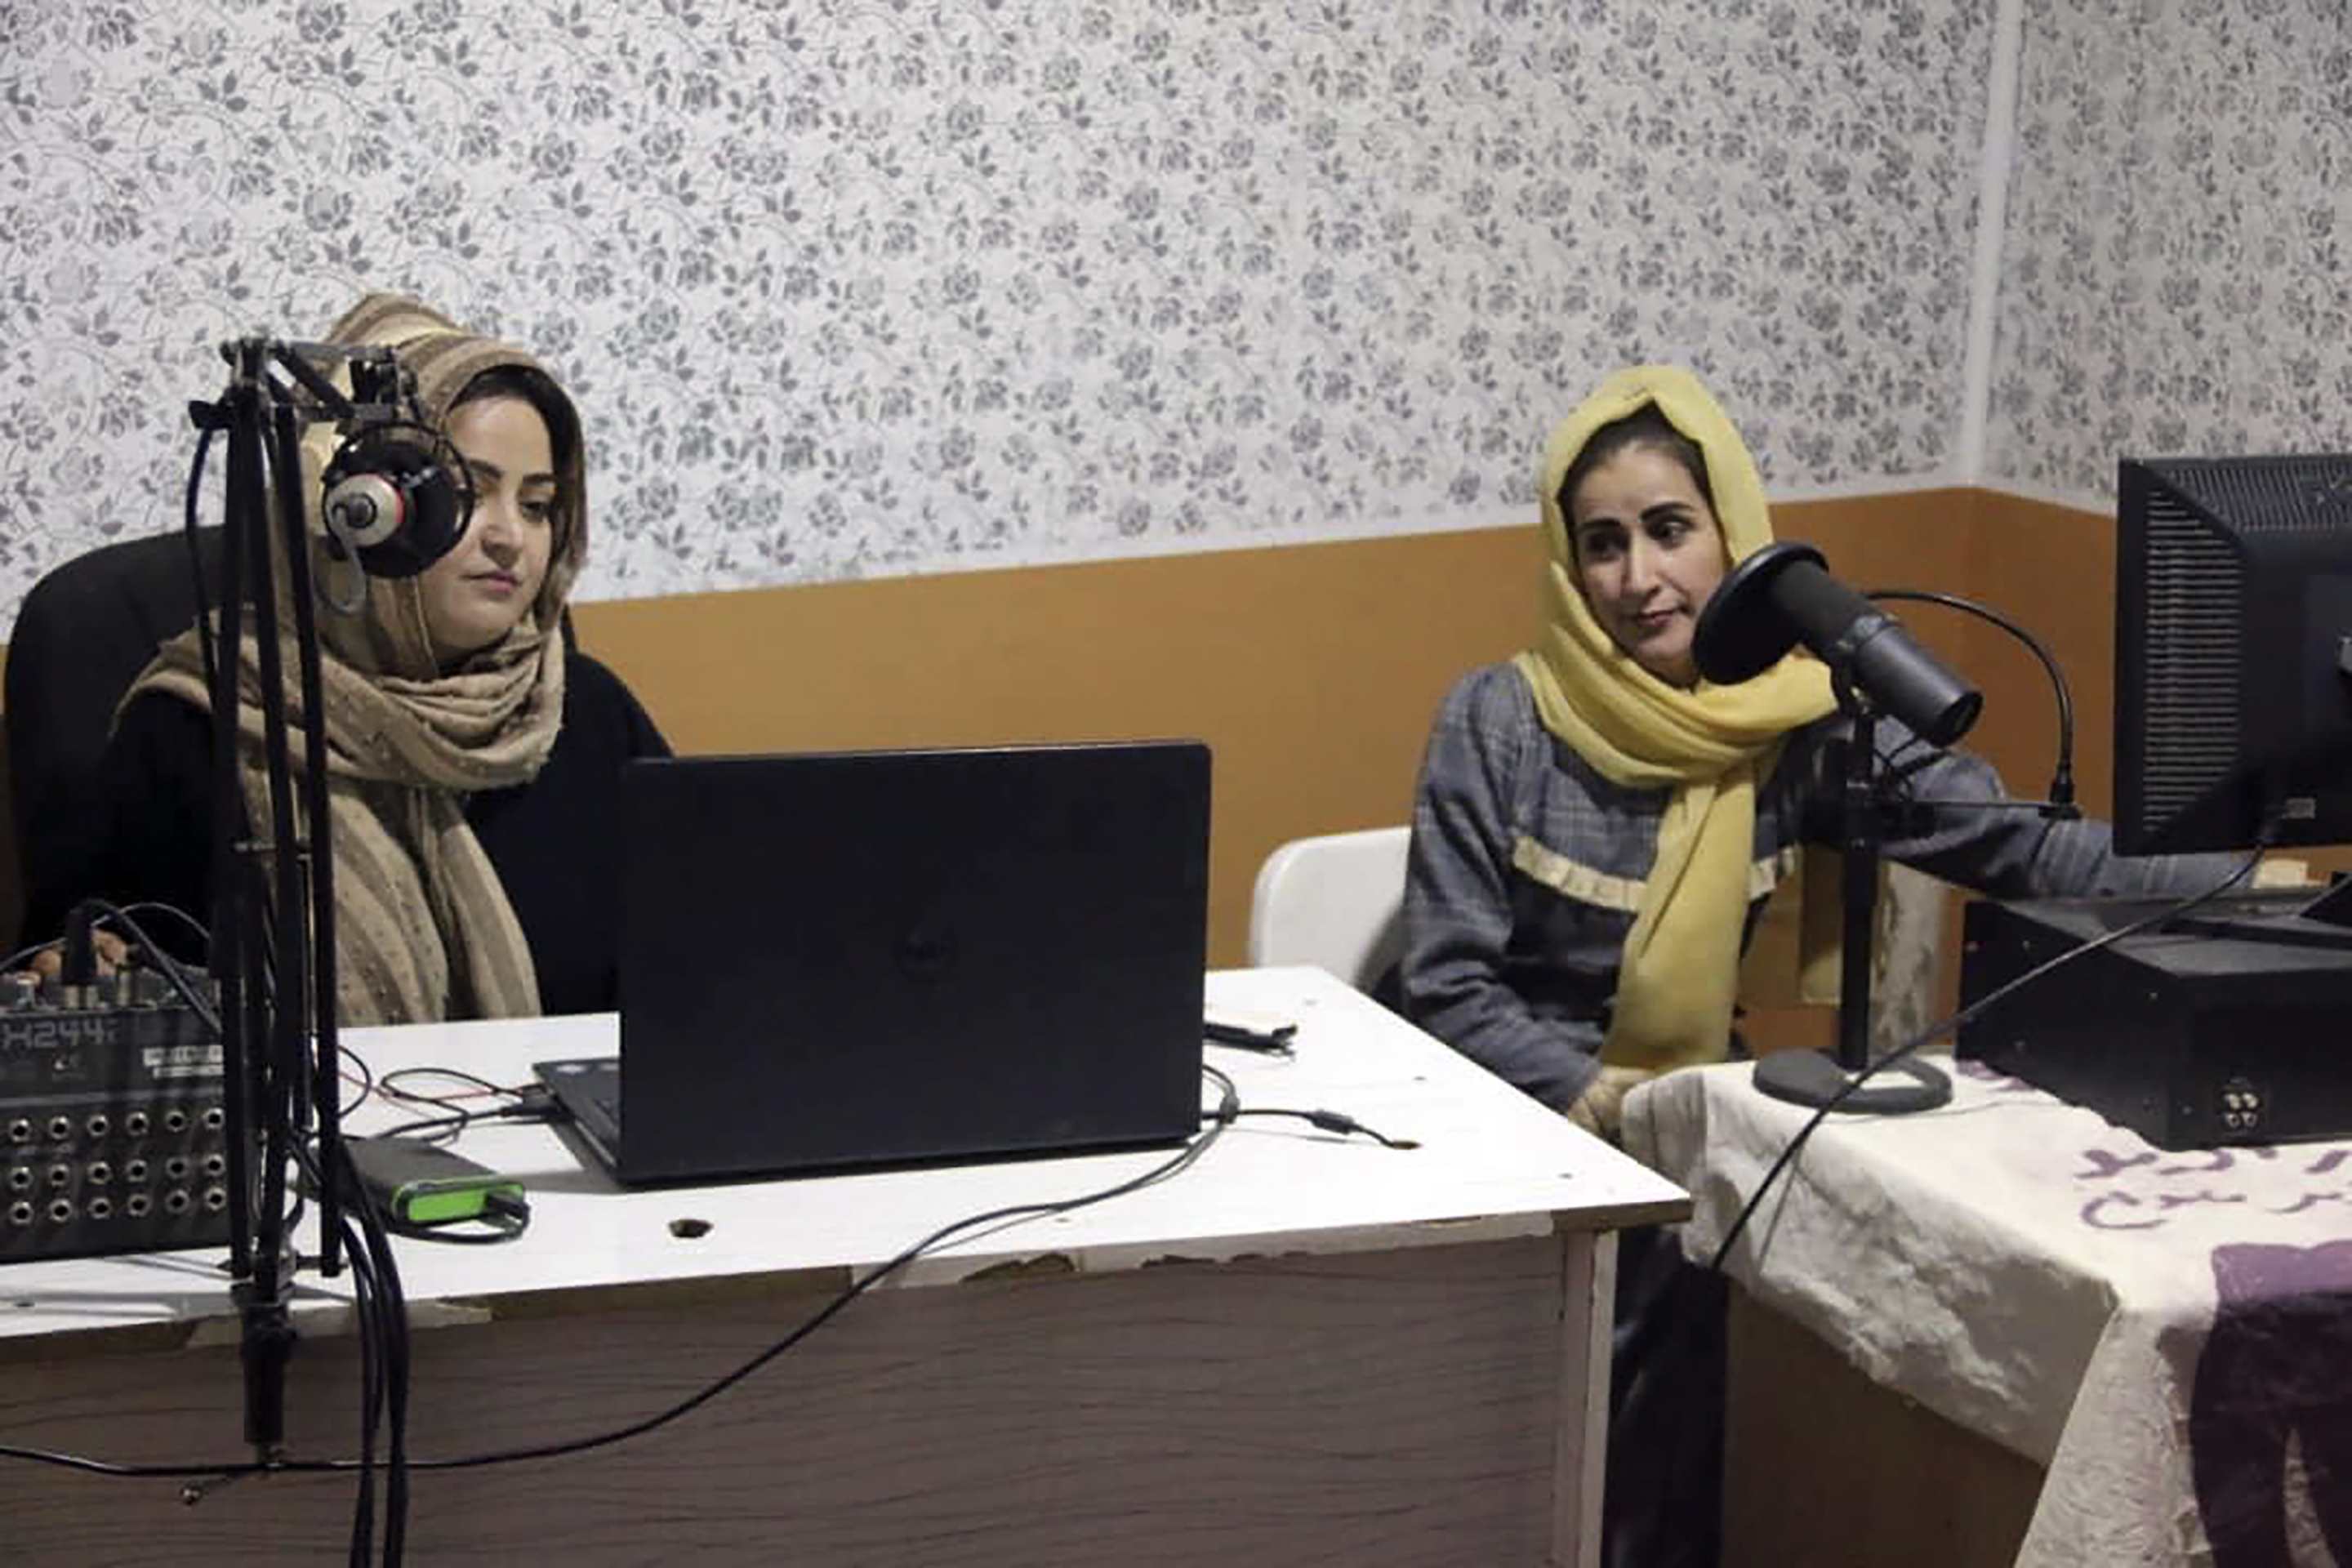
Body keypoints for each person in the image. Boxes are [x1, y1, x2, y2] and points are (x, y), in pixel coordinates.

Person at [1397, 363, 2238, 1568]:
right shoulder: (1497, 722)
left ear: (1734, 537)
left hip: (1698, 1123)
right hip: (1528, 1127)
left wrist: (2261, 878)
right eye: (1603, 544)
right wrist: (1614, 1111)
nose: (1638, 578)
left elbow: (2020, 847)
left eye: (1670, 530)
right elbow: (1446, 986)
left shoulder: (1799, 723)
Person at [26, 292, 669, 1023]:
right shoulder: (204, 724)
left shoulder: (583, 711)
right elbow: (70, 975)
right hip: (306, 1105)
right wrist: (89, 972)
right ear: (350, 507)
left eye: (537, 505)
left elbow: (706, 938)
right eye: (469, 491)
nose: (509, 538)